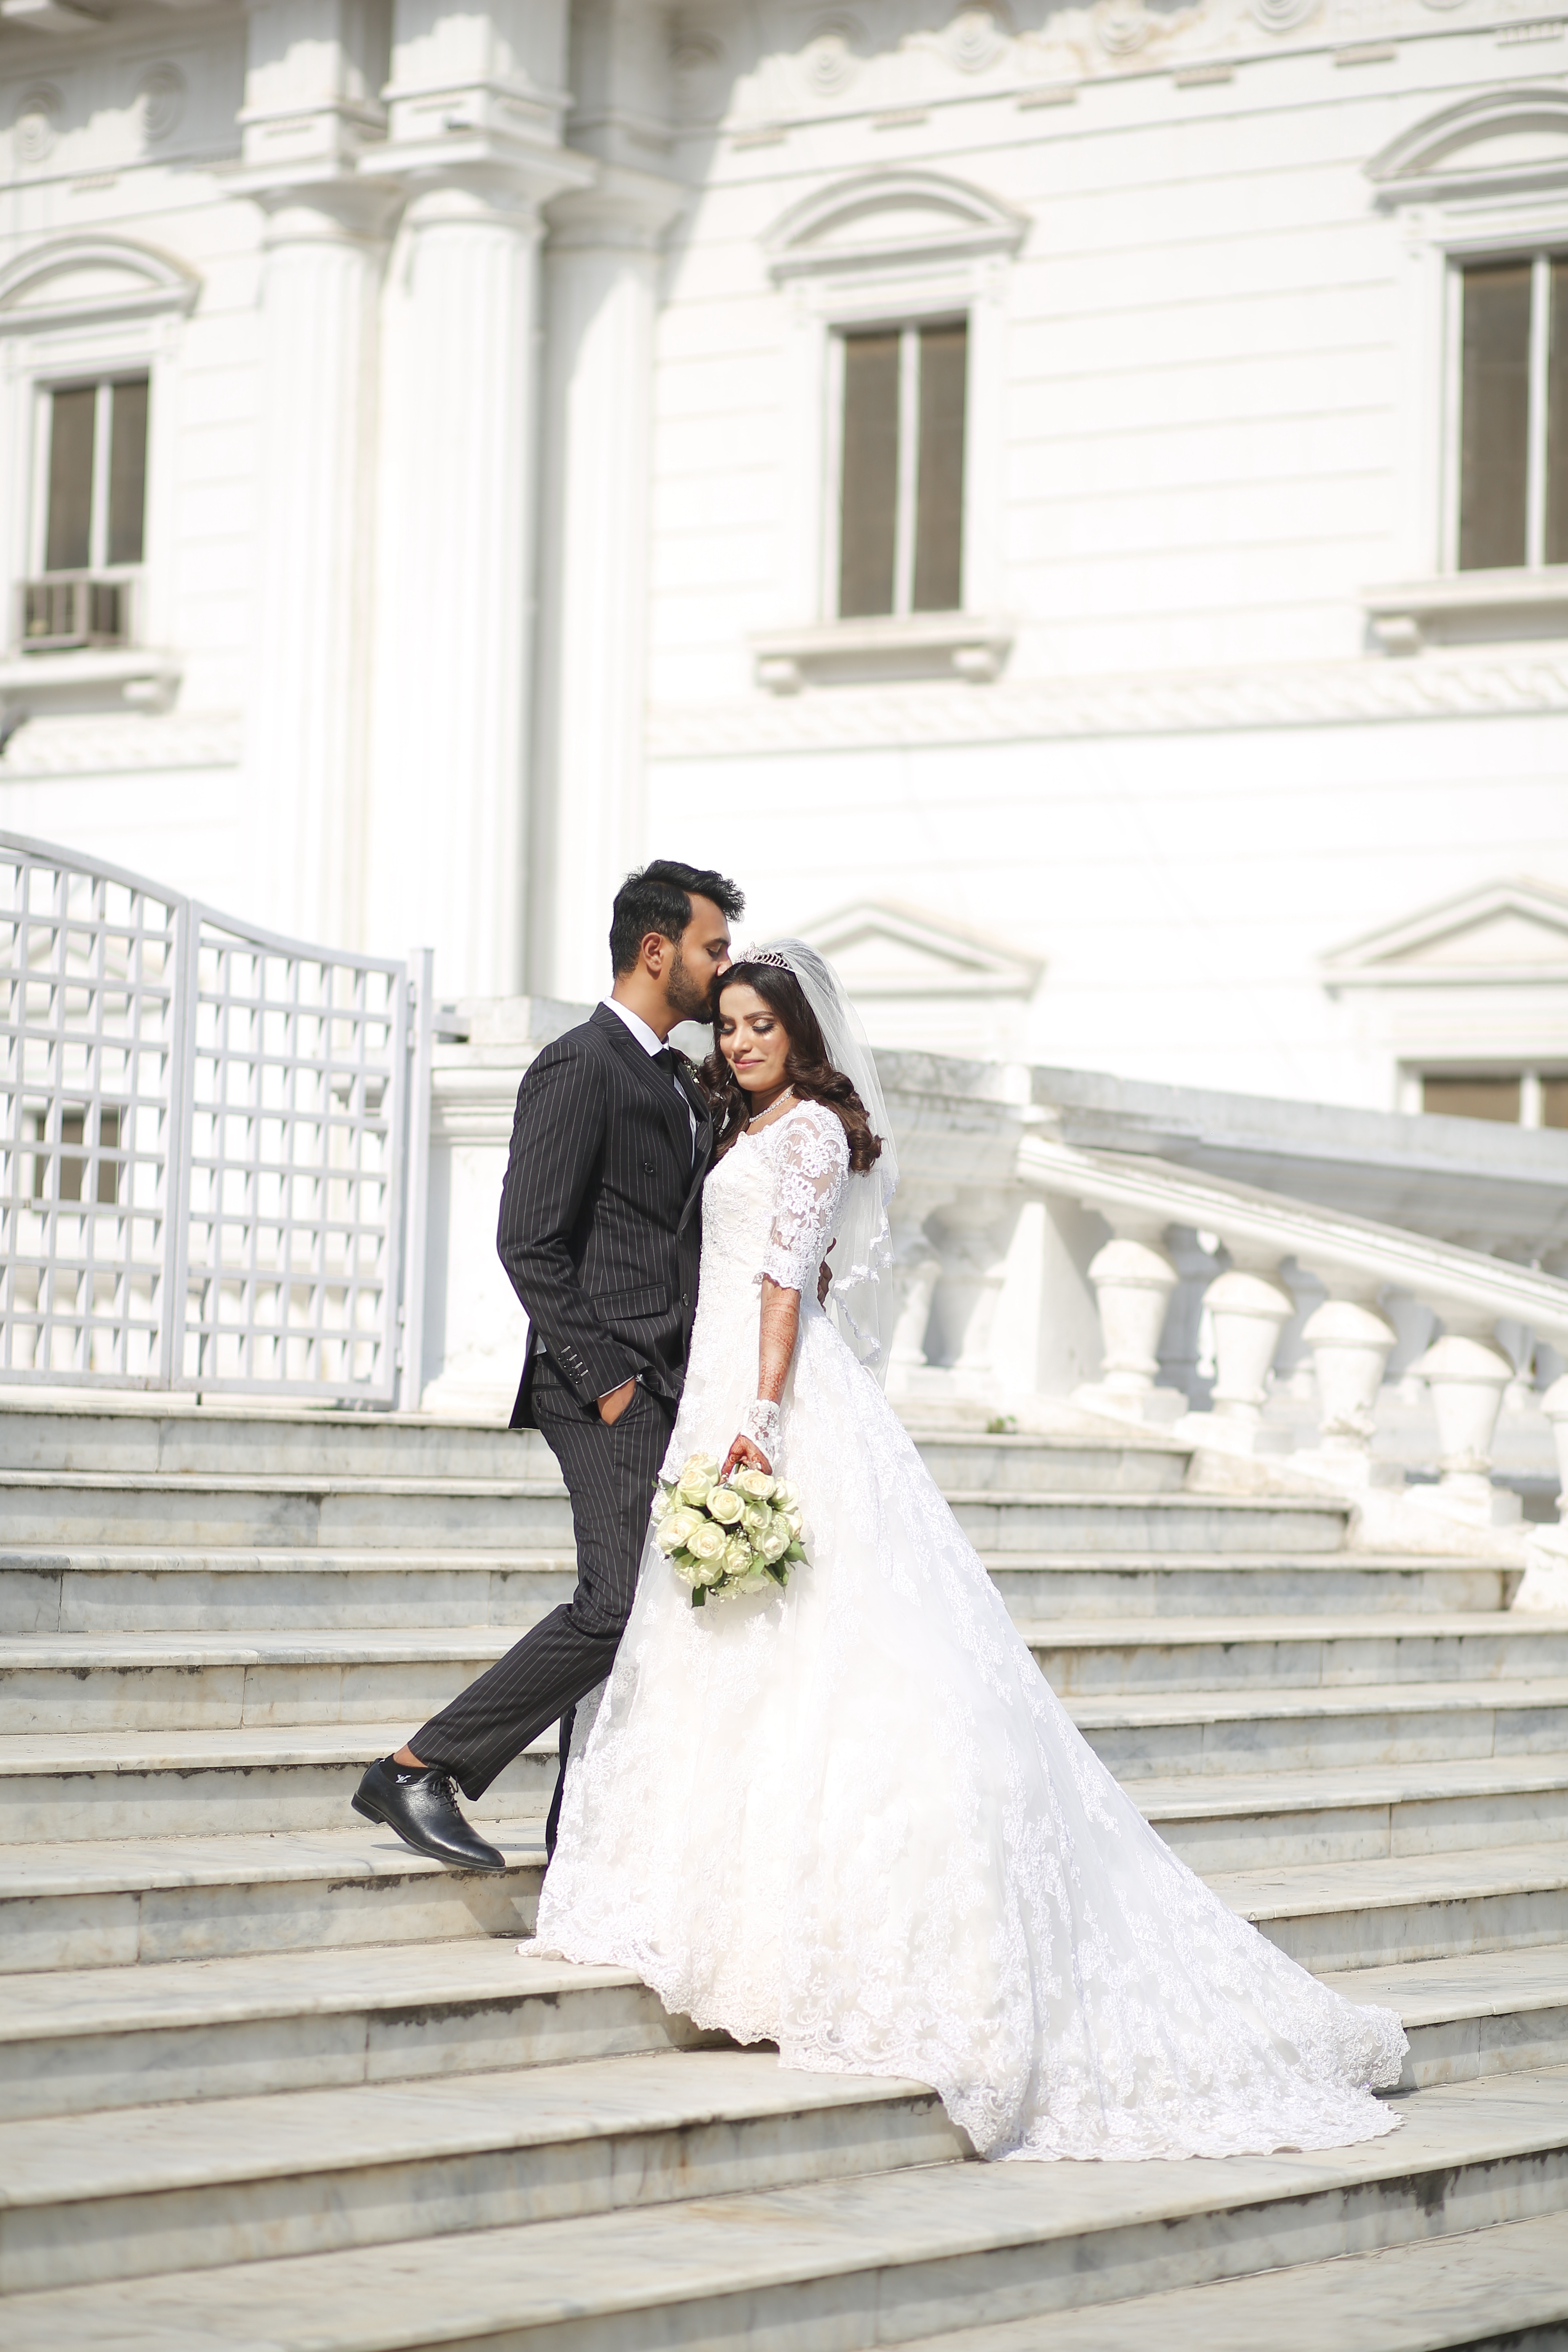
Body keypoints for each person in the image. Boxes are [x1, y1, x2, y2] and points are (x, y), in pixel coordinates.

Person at [530, 940, 1410, 2163]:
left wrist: (759, 1430)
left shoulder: (811, 1138)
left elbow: (787, 1291)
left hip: (764, 1401)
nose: (736, 1041)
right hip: (714, 1393)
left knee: (830, 1655)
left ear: (803, 1035)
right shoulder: (744, 1121)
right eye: (726, 1023)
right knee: (730, 1654)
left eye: (758, 1025)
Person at [351, 860, 744, 1871]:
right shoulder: (580, 1064)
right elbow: (529, 1241)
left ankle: (580, 1845)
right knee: (617, 1603)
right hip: (603, 1385)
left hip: (672, 1383)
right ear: (657, 951)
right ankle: (418, 1766)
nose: (725, 967)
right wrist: (606, 1378)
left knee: (647, 1619)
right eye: (712, 948)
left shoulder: (680, 1076)